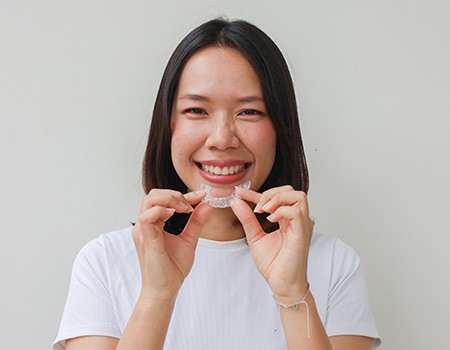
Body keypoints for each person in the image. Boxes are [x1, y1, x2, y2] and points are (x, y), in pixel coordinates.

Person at [54, 18, 381, 350]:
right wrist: (157, 295)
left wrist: (292, 293)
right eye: (197, 109)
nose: (222, 139)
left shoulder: (335, 263)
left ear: (281, 128)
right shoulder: (102, 263)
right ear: (167, 126)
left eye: (250, 112)